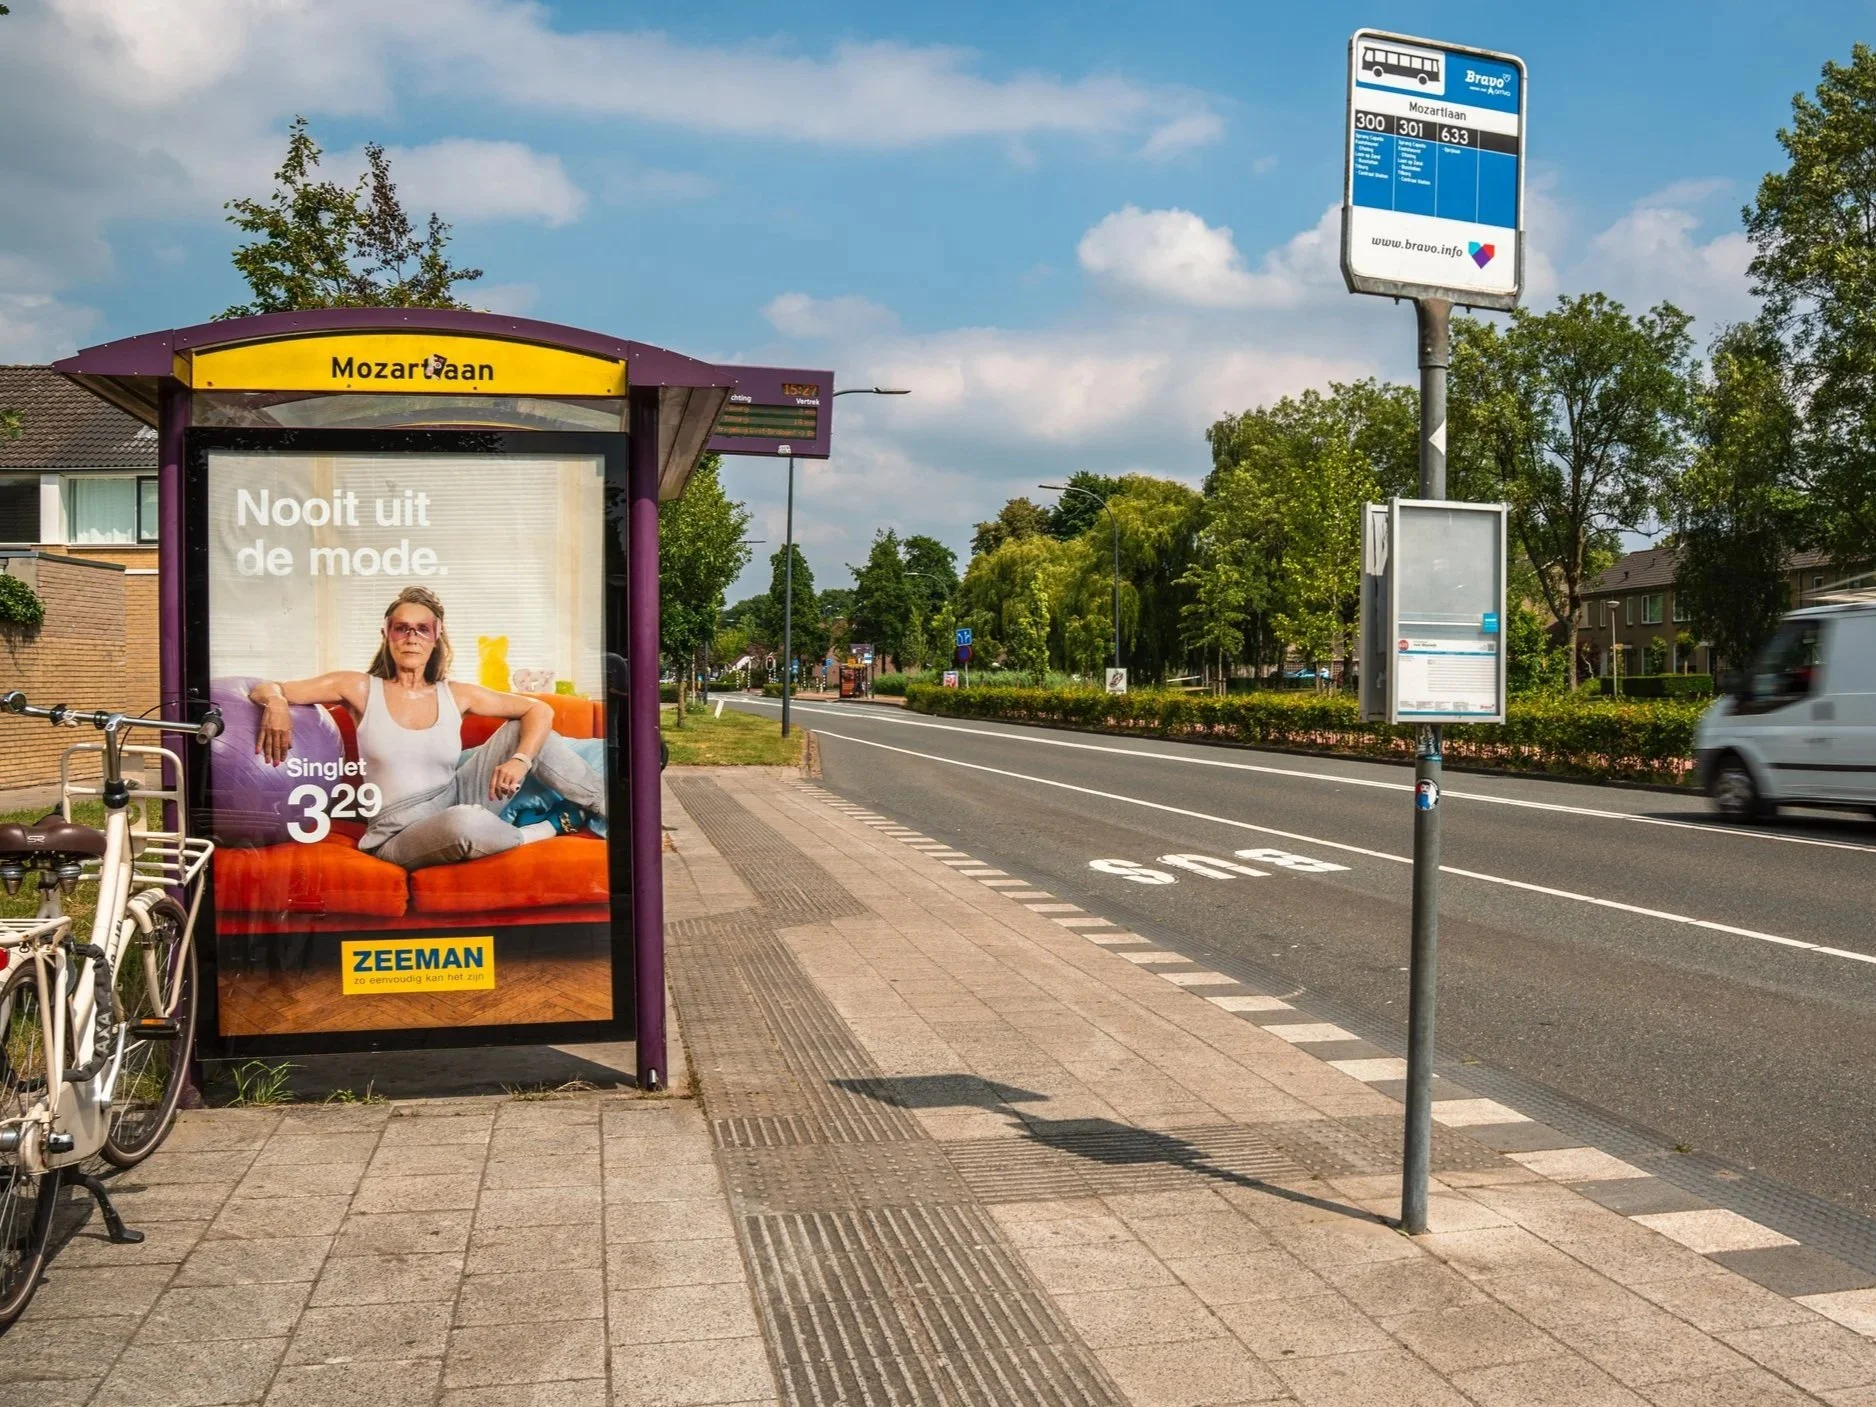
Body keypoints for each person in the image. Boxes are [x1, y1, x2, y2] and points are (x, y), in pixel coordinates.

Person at [248, 586, 605, 870]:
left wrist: (521, 761)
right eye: (402, 628)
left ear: (437, 636)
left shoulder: (455, 694)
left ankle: (610, 809)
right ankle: (539, 831)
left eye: (423, 628)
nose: (412, 637)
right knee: (464, 824)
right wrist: (277, 702)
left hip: (457, 794)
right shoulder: (358, 687)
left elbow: (538, 710)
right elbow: (263, 687)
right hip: (398, 830)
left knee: (517, 732)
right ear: (387, 634)